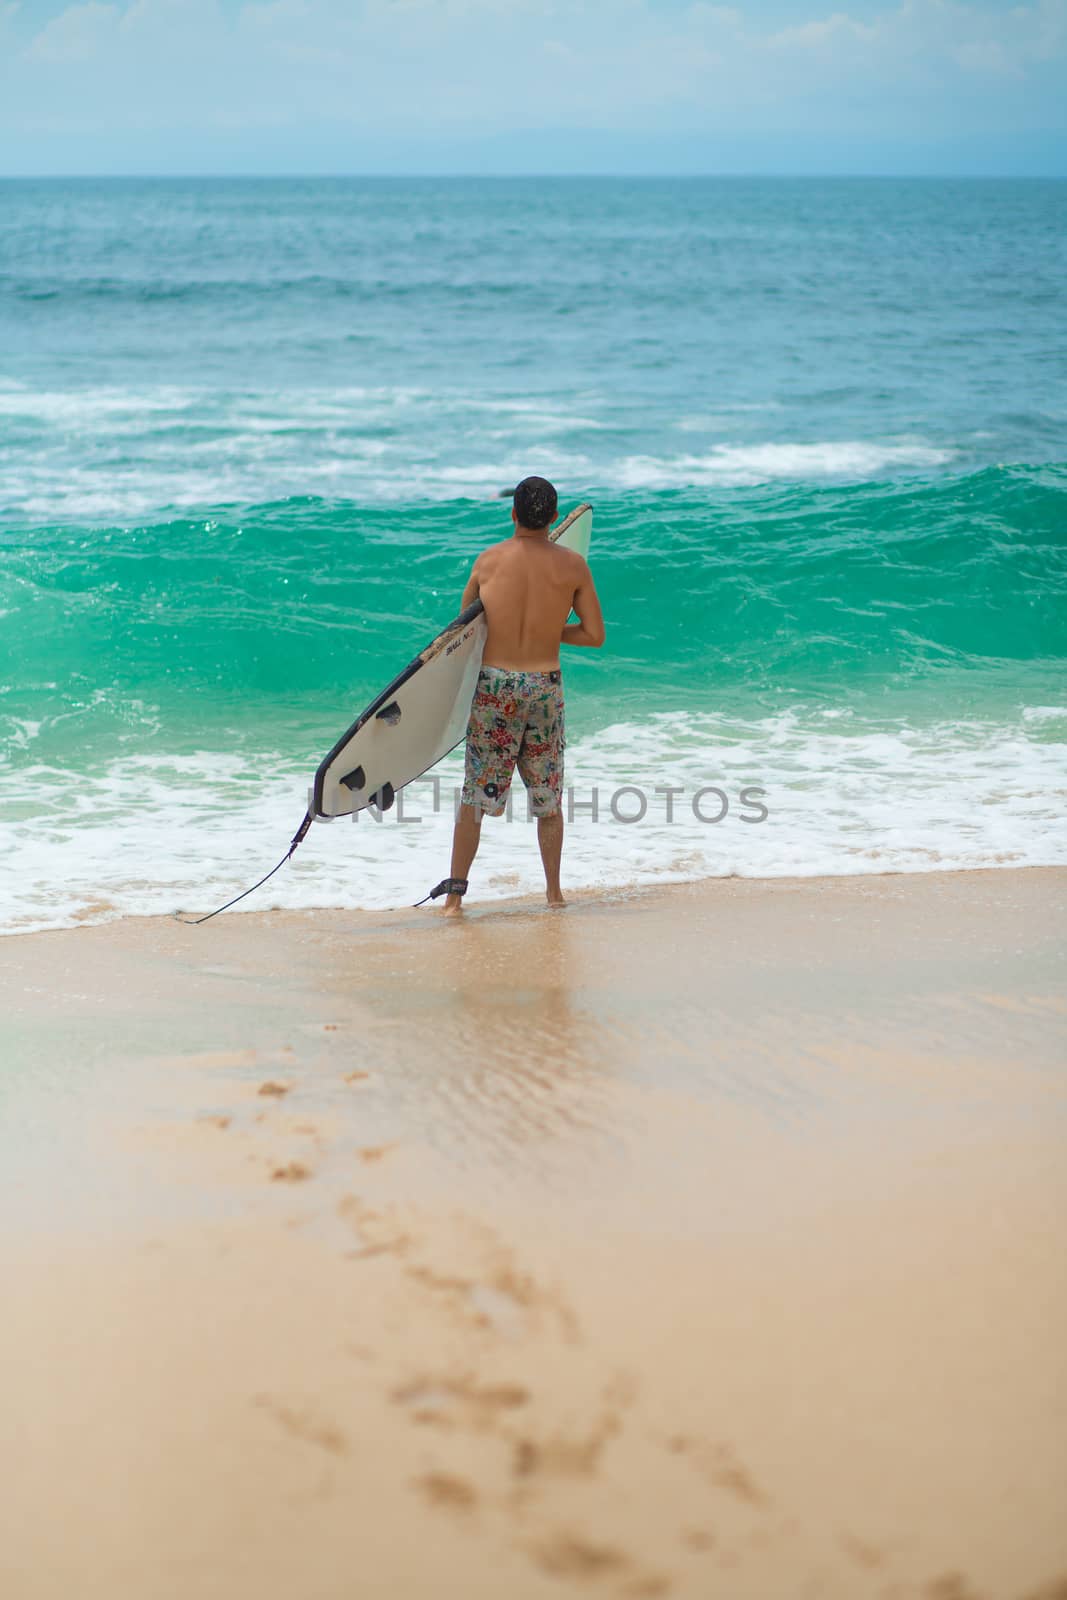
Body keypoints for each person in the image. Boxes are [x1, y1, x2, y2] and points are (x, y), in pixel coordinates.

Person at [431, 476, 605, 917]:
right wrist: (550, 630)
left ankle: (454, 900)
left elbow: (463, 632)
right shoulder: (573, 567)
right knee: (548, 798)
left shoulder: (487, 562)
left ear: (513, 514)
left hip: (495, 689)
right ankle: (554, 894)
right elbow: (593, 634)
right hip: (544, 686)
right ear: (551, 518)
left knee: (475, 796)